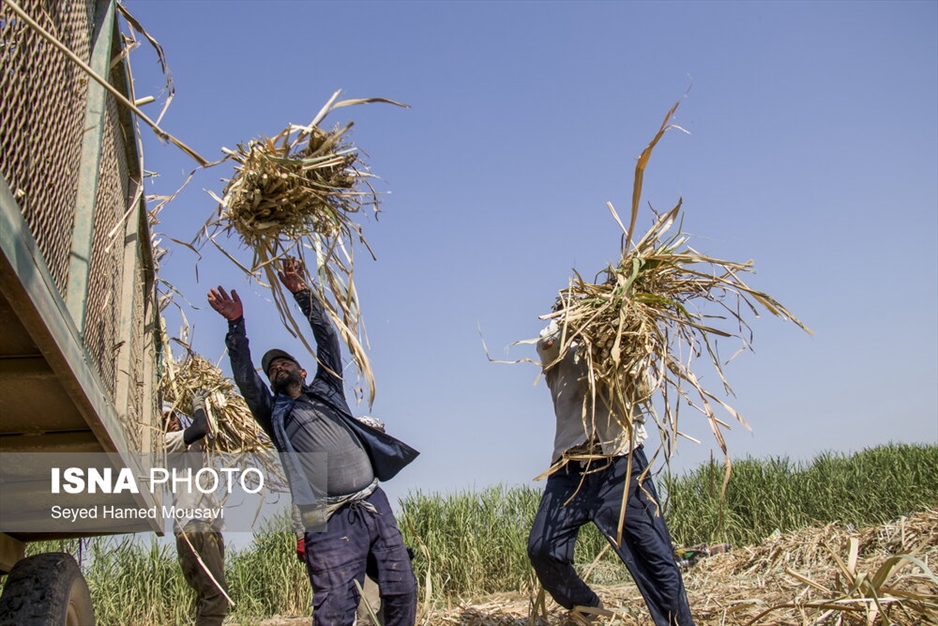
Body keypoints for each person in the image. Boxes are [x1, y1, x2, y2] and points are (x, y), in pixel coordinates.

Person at [207, 257, 419, 626]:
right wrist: (235, 324)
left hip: (373, 503)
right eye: (271, 368)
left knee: (401, 590)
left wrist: (302, 293)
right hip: (328, 518)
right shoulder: (276, 415)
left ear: (302, 371)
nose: (277, 367)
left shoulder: (328, 391)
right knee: (333, 609)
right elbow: (244, 378)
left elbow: (327, 338)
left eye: (284, 362)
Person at [526, 310, 696, 626]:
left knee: (654, 559)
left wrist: (623, 346)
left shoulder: (629, 342)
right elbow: (546, 345)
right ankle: (588, 607)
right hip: (570, 467)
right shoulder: (559, 339)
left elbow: (644, 390)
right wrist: (581, 326)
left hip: (620, 463)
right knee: (543, 549)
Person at [163, 392, 230, 626]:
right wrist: (197, 404)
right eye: (164, 419)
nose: (171, 421)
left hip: (207, 526)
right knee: (216, 596)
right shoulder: (166, 443)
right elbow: (200, 427)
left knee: (208, 596)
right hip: (193, 526)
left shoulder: (190, 445)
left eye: (172, 415)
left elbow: (209, 429)